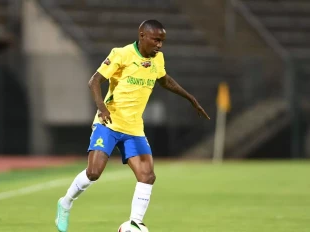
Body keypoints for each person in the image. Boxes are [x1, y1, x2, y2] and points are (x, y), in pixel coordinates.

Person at [55, 19, 210, 232]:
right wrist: (101, 107)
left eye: (162, 41)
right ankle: (65, 202)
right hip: (108, 123)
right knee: (93, 172)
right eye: (156, 40)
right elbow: (94, 81)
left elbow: (163, 80)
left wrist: (190, 98)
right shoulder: (121, 54)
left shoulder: (158, 59)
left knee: (147, 176)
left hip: (134, 128)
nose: (159, 45)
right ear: (142, 36)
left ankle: (135, 223)